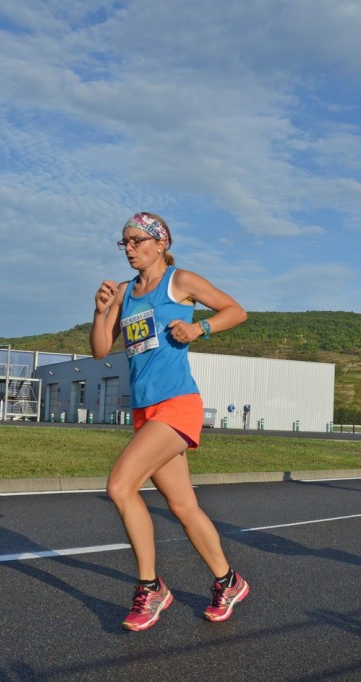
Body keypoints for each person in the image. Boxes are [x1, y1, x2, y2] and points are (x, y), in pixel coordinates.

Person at [90, 211, 249, 631]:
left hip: (178, 405)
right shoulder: (124, 292)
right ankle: (228, 581)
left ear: (161, 243)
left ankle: (150, 587)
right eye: (124, 242)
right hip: (145, 411)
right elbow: (100, 350)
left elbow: (236, 311)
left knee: (120, 486)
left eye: (137, 241)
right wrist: (100, 311)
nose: (129, 249)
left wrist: (201, 329)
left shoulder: (181, 281)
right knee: (183, 505)